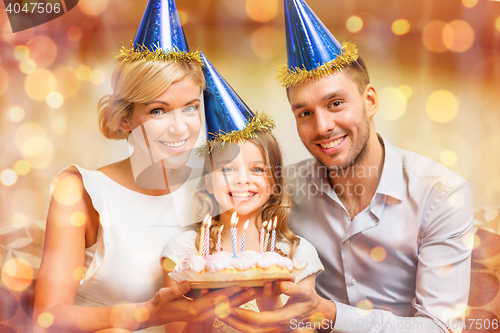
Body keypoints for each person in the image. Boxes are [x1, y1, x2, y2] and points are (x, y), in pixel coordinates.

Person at [220, 1, 473, 332]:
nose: (323, 126)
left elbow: (442, 328)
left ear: (370, 101)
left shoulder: (441, 194)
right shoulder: (284, 187)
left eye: (335, 103)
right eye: (304, 113)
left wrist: (328, 312)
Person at [33, 1, 254, 332]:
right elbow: (46, 319)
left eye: (190, 108)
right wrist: (144, 314)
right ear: (125, 119)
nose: (180, 128)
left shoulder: (216, 184)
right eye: (158, 111)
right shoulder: (80, 191)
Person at [160, 54, 324, 333]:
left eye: (258, 169)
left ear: (274, 183)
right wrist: (205, 305)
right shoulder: (186, 254)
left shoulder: (297, 255)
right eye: (227, 170)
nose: (242, 181)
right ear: (208, 183)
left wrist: (270, 310)